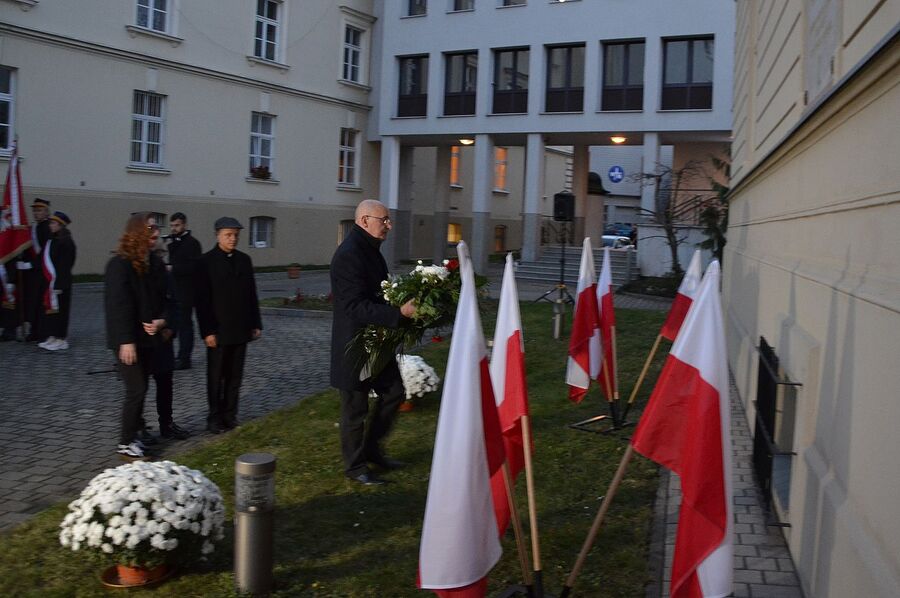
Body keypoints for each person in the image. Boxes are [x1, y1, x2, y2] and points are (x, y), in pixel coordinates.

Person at [330, 199, 416, 486]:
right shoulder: (349, 254)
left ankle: (372, 450)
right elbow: (353, 306)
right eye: (384, 220)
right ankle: (355, 467)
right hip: (356, 344)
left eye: (389, 220)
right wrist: (397, 313)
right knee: (355, 408)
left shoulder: (370, 250)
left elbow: (379, 293)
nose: (389, 225)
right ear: (364, 220)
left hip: (376, 341)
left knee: (393, 392)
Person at [105, 213, 174, 459]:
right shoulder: (119, 265)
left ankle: (136, 434)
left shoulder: (150, 264)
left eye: (156, 234)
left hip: (147, 340)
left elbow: (165, 299)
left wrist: (162, 321)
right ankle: (125, 442)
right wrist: (125, 341)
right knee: (136, 390)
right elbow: (118, 306)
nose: (155, 238)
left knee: (141, 389)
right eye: (149, 233)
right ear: (137, 234)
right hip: (129, 342)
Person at [195, 217, 262, 435]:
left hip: (240, 328)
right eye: (228, 235)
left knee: (235, 376)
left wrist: (255, 323)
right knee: (216, 377)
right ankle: (214, 418)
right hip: (218, 330)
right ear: (218, 235)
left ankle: (230, 415)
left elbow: (251, 294)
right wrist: (207, 331)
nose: (232, 239)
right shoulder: (206, 262)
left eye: (235, 235)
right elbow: (202, 300)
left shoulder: (244, 260)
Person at [166, 212, 202, 370]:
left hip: (187, 291)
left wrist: (173, 268)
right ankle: (177, 356)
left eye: (177, 225)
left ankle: (184, 358)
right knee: (175, 323)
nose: (174, 228)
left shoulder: (192, 243)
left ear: (184, 225)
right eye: (172, 225)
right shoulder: (173, 241)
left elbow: (194, 267)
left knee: (185, 325)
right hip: (174, 290)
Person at [38, 211, 77, 351]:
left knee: (61, 311)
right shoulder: (52, 240)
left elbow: (65, 265)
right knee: (52, 311)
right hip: (51, 282)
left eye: (53, 223)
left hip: (61, 283)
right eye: (50, 223)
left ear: (61, 225)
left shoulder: (66, 242)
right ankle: (52, 336)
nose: (50, 225)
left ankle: (62, 338)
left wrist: (59, 283)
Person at [22, 198, 51, 341]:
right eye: (34, 210)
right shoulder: (33, 227)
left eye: (39, 210)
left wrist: (32, 264)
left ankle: (42, 331)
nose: (36, 213)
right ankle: (33, 330)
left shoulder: (47, 228)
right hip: (32, 273)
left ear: (46, 212)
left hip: (43, 271)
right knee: (32, 301)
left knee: (41, 302)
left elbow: (46, 251)